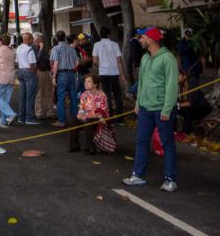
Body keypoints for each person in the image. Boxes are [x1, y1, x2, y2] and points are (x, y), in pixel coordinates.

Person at [123, 27, 180, 192]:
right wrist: (138, 103)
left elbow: (172, 85)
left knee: (167, 143)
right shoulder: (145, 58)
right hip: (145, 108)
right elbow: (141, 83)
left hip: (162, 108)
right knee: (141, 141)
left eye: (142, 37)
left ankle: (170, 179)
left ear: (151, 39)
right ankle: (138, 175)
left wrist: (167, 109)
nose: (140, 40)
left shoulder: (168, 58)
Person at [69, 74, 111, 154]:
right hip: (86, 117)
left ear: (95, 84)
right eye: (85, 81)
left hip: (99, 118)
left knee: (88, 121)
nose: (86, 83)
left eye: (89, 82)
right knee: (74, 120)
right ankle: (74, 145)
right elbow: (82, 108)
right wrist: (80, 114)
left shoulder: (101, 95)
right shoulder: (84, 94)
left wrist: (86, 116)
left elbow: (100, 112)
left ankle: (89, 148)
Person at [92, 26, 126, 123]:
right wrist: (122, 75)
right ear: (108, 34)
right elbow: (119, 61)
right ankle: (120, 118)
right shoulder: (114, 44)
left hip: (103, 72)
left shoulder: (97, 45)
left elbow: (94, 61)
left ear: (100, 35)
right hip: (114, 72)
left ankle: (109, 118)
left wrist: (101, 64)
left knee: (106, 95)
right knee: (117, 95)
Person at [50, 30, 79, 127]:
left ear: (57, 38)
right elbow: (77, 63)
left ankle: (62, 121)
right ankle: (75, 119)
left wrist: (54, 76)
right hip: (71, 73)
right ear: (65, 37)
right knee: (73, 97)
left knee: (61, 97)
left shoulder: (56, 49)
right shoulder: (71, 49)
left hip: (62, 74)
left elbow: (55, 63)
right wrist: (72, 70)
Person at [15, 32, 39, 125]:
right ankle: (29, 118)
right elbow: (32, 64)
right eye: (32, 38)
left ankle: (21, 117)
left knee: (22, 96)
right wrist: (35, 74)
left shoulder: (19, 48)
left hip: (20, 71)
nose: (33, 40)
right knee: (30, 96)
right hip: (29, 72)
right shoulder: (30, 49)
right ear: (28, 39)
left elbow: (16, 62)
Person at [33, 33, 55, 120]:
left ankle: (50, 112)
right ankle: (39, 112)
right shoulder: (34, 48)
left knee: (49, 92)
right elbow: (36, 60)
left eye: (42, 39)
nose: (42, 41)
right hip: (39, 71)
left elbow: (48, 59)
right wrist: (41, 49)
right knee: (39, 93)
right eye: (40, 39)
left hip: (47, 71)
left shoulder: (45, 48)